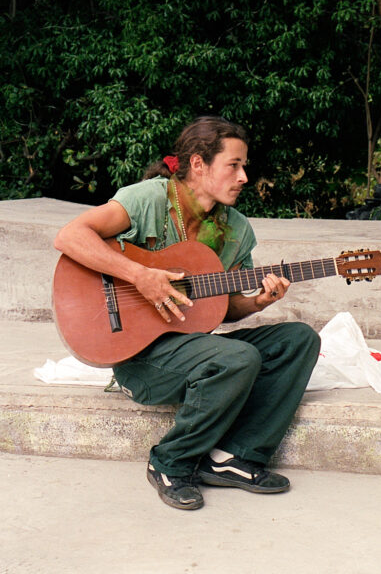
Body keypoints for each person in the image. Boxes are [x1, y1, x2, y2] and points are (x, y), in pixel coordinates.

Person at [54, 116, 321, 510]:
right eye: (233, 165)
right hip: (138, 358)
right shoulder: (150, 198)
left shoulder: (237, 231)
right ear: (198, 164)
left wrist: (257, 302)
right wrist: (139, 275)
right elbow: (70, 235)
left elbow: (219, 309)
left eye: (244, 165)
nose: (244, 176)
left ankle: (233, 457)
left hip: (191, 349)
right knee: (238, 357)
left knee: (299, 340)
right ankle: (170, 462)